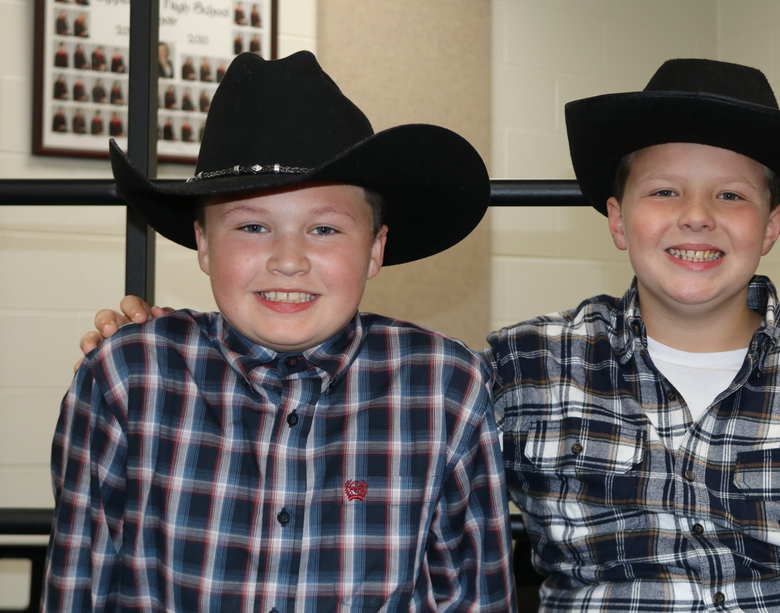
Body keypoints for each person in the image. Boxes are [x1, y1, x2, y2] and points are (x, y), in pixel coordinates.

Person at [87, 58, 780, 613]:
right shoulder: (524, 369)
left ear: (773, 225)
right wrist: (196, 340)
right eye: (663, 191)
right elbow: (361, 397)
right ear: (617, 220)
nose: (696, 217)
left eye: (732, 194)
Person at [48, 51, 515, 611]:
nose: (288, 260)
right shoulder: (127, 380)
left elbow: (474, 594)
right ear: (203, 244)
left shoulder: (447, 389)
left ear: (374, 249)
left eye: (323, 229)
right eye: (251, 226)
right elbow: (80, 585)